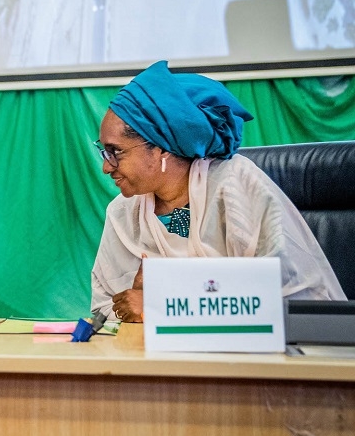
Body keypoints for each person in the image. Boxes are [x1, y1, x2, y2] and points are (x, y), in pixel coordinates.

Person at [91, 61, 344, 322]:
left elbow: (283, 297)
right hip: (156, 356)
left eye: (116, 152)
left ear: (161, 148)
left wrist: (162, 305)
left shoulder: (235, 184)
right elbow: (105, 308)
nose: (106, 167)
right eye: (104, 151)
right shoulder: (123, 212)